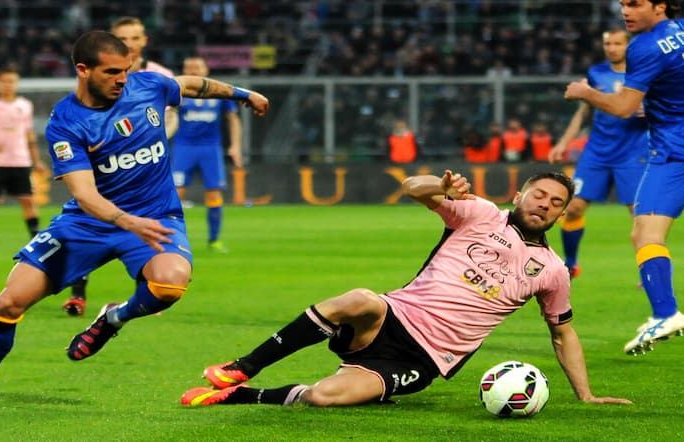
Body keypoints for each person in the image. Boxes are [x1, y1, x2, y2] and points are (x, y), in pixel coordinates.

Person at [0, 30, 269, 407]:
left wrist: (243, 94)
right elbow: (84, 194)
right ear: (83, 70)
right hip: (88, 223)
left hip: (156, 216)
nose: (122, 79)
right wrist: (126, 220)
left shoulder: (149, 87)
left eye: (125, 70)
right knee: (11, 301)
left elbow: (191, 85)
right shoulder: (66, 121)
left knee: (170, 285)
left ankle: (112, 319)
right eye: (111, 72)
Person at [180, 170, 631, 408]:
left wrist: (586, 394)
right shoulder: (480, 213)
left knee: (324, 397)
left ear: (562, 214)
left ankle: (240, 395)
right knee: (360, 298)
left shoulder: (551, 270)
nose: (545, 205)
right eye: (539, 195)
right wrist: (442, 185)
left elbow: (562, 333)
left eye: (556, 202)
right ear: (520, 195)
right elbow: (412, 187)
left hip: (426, 359)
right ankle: (242, 368)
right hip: (391, 318)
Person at [564, 0, 684, 355]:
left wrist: (585, 92)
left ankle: (666, 312)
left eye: (635, 4)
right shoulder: (679, 31)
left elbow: (623, 108)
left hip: (673, 153)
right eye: (622, 4)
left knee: (645, 233)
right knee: (638, 229)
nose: (625, 11)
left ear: (659, 5)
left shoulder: (644, 47)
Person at [62, 16, 180, 317]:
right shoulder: (98, 78)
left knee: (152, 234)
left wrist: (150, 141)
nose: (129, 43)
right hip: (105, 168)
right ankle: (77, 294)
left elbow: (173, 113)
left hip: (146, 166)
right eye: (122, 38)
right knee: (88, 216)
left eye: (135, 38)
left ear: (144, 41)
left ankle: (151, 290)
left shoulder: (159, 75)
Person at [549, 28, 648, 279]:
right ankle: (571, 265)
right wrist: (563, 143)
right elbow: (584, 113)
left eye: (617, 43)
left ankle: (647, 271)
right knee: (573, 208)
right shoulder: (596, 73)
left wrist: (649, 111)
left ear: (628, 46)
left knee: (641, 217)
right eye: (608, 43)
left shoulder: (644, 73)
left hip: (633, 153)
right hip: (597, 153)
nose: (611, 48)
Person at [171, 56, 243, 253]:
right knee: (175, 194)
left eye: (197, 67)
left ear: (206, 70)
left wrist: (235, 145)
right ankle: (172, 240)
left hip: (211, 148)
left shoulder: (219, 92)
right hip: (183, 147)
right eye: (189, 67)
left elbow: (233, 119)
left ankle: (214, 240)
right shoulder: (176, 91)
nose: (193, 71)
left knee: (213, 193)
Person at [0, 65, 47, 254]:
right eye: (4, 81)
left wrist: (37, 161)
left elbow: (29, 135)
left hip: (20, 161)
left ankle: (36, 244)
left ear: (16, 83)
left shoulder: (24, 105)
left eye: (11, 81)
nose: (8, 85)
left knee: (28, 200)